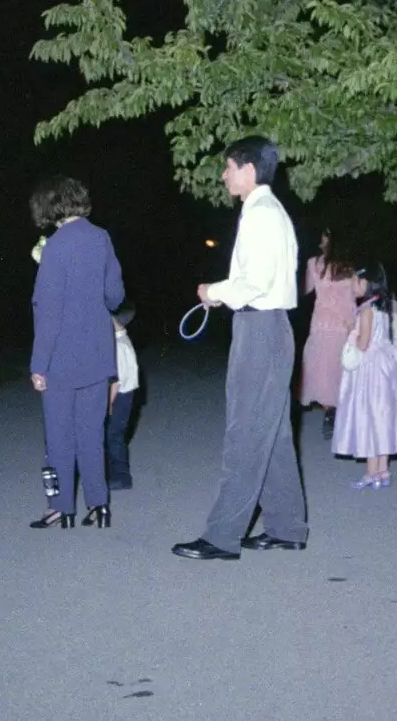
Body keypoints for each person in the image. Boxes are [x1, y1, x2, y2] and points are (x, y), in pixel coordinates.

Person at [173, 137, 305, 561]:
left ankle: (222, 536)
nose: (224, 174)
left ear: (249, 169)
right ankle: (286, 527)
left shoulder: (262, 214)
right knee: (274, 432)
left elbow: (258, 280)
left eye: (229, 166)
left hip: (260, 328)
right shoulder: (266, 211)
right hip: (268, 327)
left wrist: (214, 290)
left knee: (245, 431)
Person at [27, 176, 125, 530]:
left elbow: (47, 309)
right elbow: (115, 295)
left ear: (50, 205)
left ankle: (60, 506)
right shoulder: (102, 238)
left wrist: (39, 364)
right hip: (98, 353)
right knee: (91, 433)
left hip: (61, 358)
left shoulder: (55, 246)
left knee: (58, 437)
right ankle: (99, 506)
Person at [331, 263, 397, 489]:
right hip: (387, 365)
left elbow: (364, 344)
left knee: (369, 416)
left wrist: (350, 331)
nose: (352, 286)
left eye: (355, 281)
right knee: (382, 417)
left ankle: (370, 473)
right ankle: (381, 471)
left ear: (365, 283)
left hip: (371, 369)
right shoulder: (383, 307)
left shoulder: (366, 310)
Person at [300, 229, 354, 440]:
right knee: (319, 370)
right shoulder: (314, 264)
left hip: (344, 325)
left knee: (338, 370)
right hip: (321, 325)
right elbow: (304, 289)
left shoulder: (351, 266)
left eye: (324, 239)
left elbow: (360, 292)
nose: (321, 243)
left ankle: (338, 413)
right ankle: (330, 412)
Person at [102, 300, 139, 495]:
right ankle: (113, 473)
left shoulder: (117, 345)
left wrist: (107, 405)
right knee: (113, 436)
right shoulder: (122, 340)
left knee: (113, 437)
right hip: (126, 395)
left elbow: (115, 382)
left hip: (120, 397)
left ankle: (121, 477)